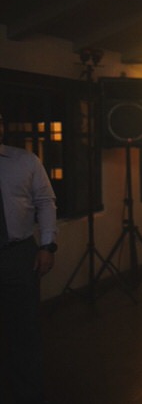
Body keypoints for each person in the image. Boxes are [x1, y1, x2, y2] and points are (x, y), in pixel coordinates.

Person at [0, 113, 58, 403]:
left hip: (18, 253)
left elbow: (45, 202)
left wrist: (47, 245)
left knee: (24, 331)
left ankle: (27, 395)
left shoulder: (24, 161)